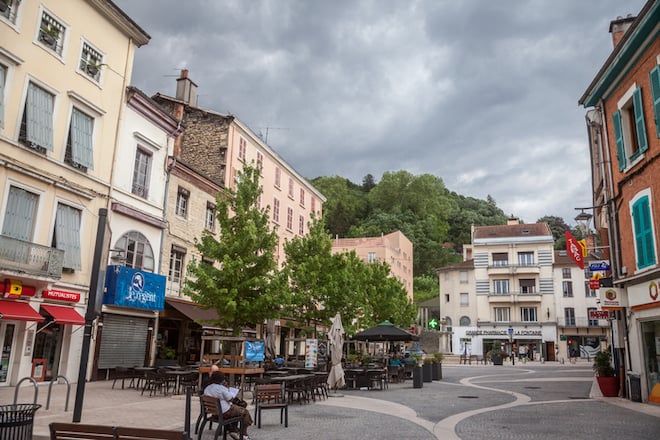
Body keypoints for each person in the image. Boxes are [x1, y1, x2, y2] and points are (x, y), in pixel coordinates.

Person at [204, 371, 253, 440]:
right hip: (225, 412)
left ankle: (233, 430)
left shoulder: (207, 388)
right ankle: (244, 434)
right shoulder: (220, 389)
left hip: (214, 412)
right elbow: (231, 399)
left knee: (237, 409)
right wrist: (228, 389)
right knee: (245, 412)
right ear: (221, 380)